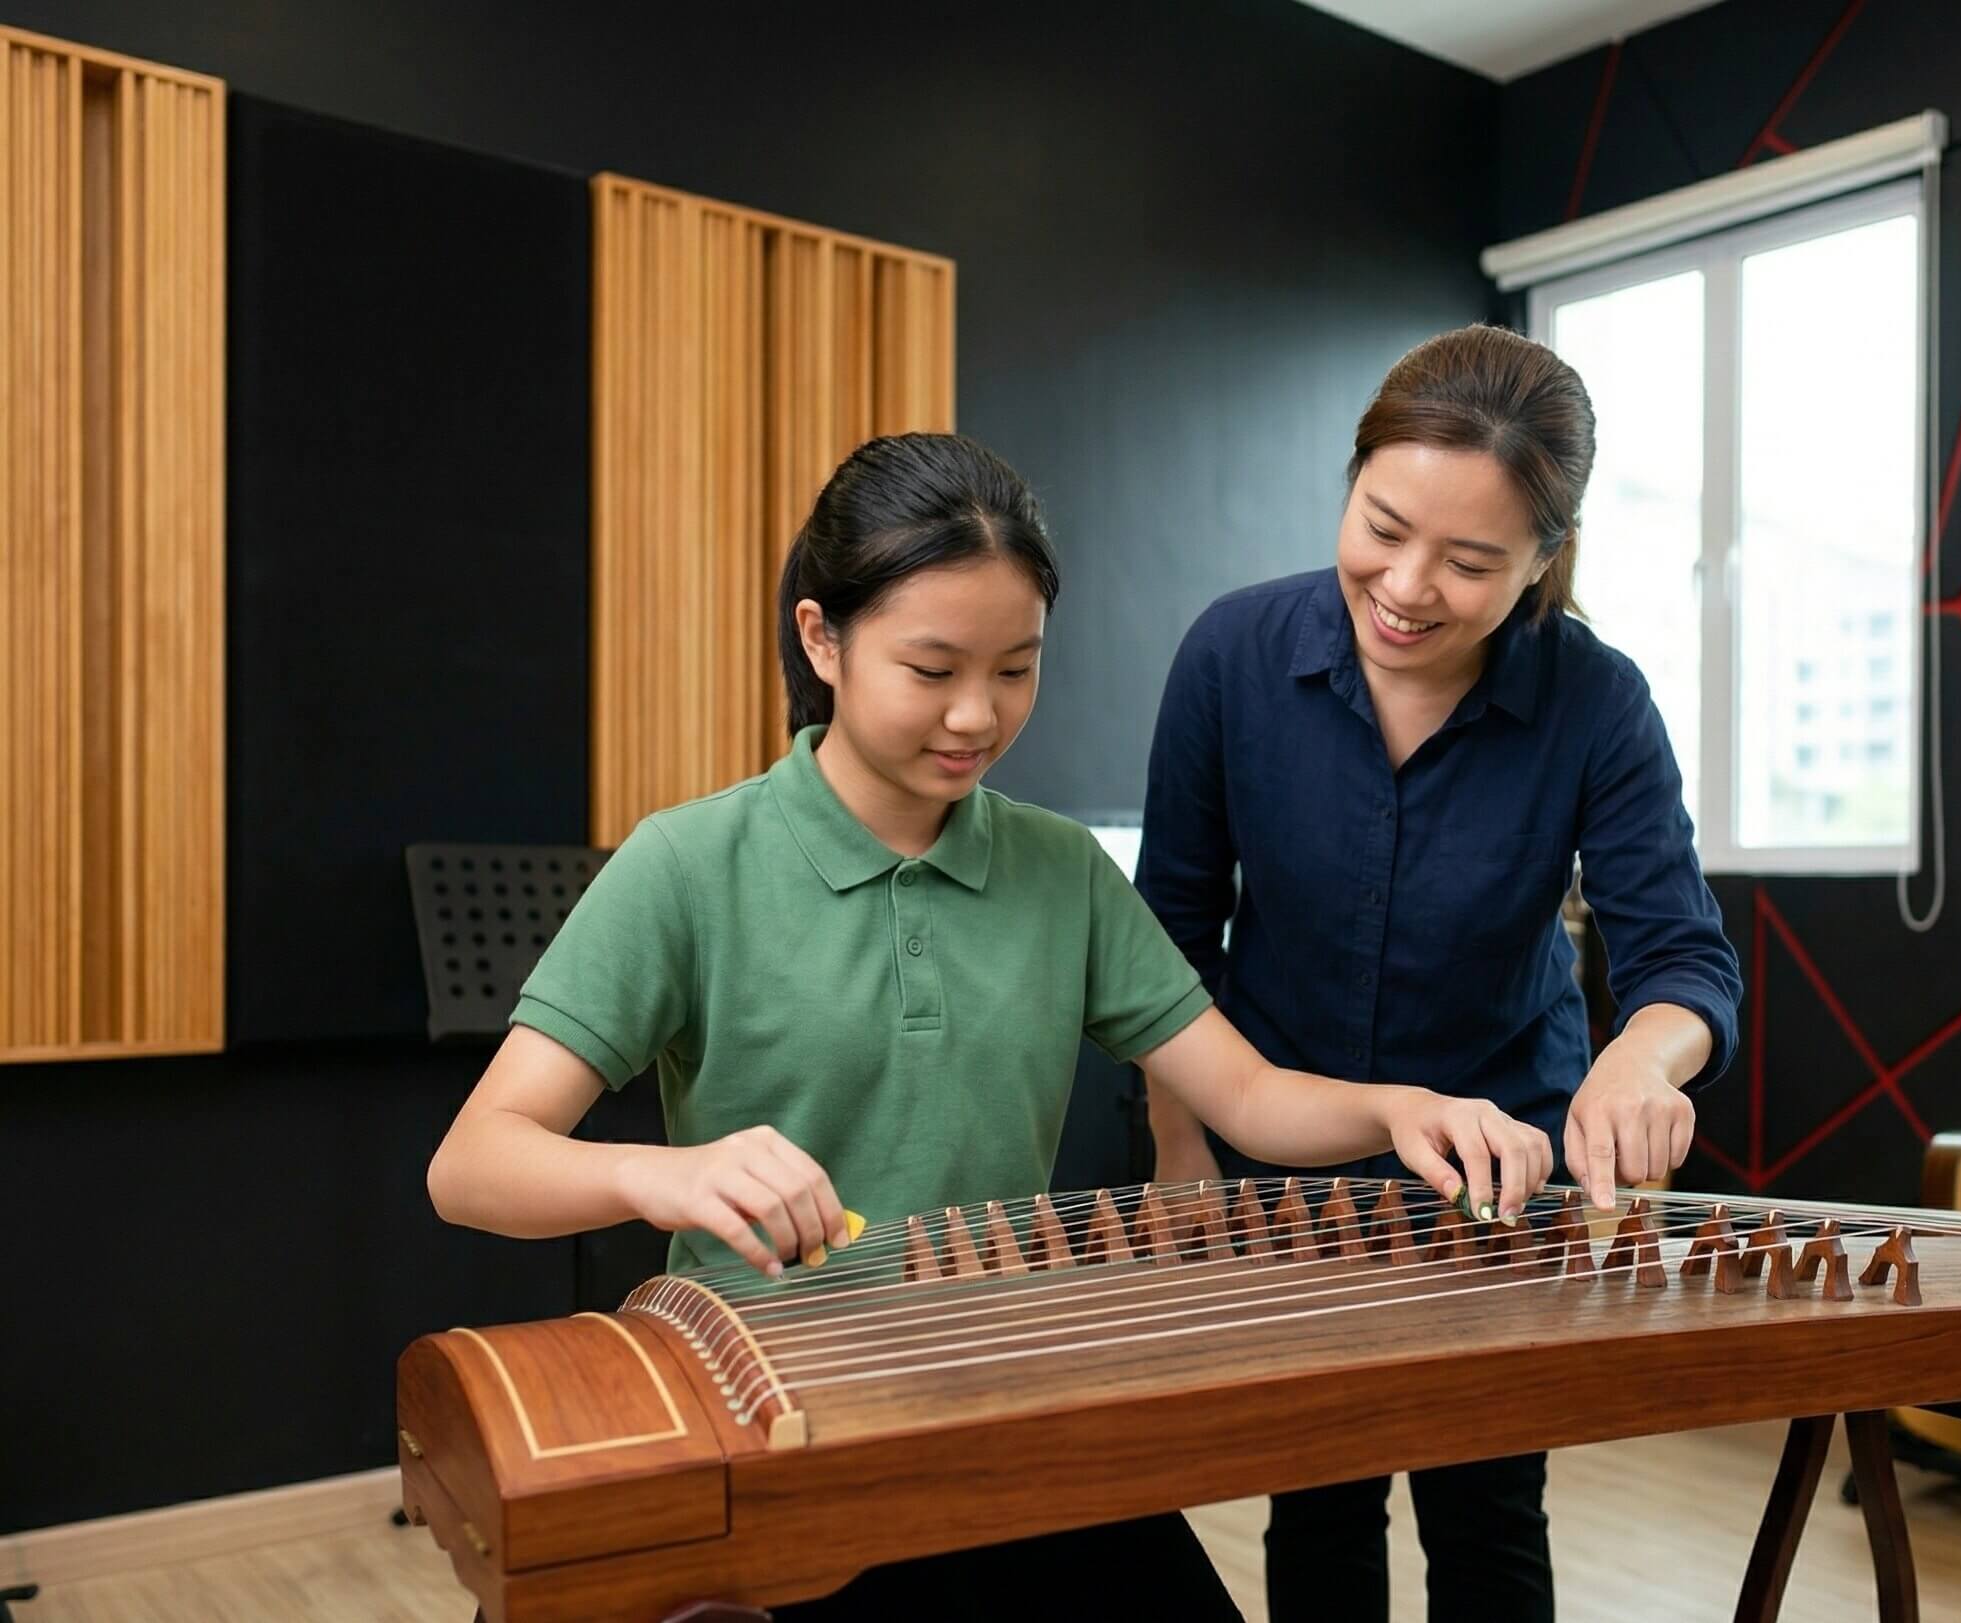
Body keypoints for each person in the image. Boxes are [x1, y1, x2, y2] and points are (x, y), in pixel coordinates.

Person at [425, 431, 1555, 1620]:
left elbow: (1248, 1096)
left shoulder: (1057, 869)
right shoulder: (690, 865)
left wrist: (1403, 1107)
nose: (978, 714)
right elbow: (473, 1163)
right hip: (777, 1421)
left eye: (1016, 669)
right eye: (932, 668)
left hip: (1005, 1407)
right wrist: (671, 1175)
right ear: (823, 638)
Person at [1136, 326, 1743, 1622]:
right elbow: (1166, 944)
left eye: (1471, 562)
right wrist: (1180, 1140)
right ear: (1349, 481)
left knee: (1488, 1512)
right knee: (1320, 1499)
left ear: (1542, 558)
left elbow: (1683, 956)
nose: (1407, 585)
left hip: (1498, 1156)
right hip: (1279, 1150)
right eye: (1382, 524)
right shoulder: (1232, 658)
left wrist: (1643, 1055)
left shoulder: (1597, 701)